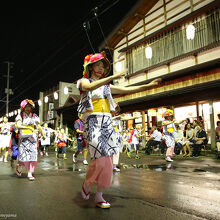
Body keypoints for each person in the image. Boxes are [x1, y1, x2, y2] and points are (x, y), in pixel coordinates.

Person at [77, 52, 161, 208]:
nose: (101, 68)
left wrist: (149, 85)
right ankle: (87, 184)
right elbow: (89, 87)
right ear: (90, 68)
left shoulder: (106, 87)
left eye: (103, 66)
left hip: (107, 122)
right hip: (93, 122)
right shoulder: (83, 81)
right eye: (98, 65)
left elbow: (127, 88)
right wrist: (114, 75)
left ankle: (99, 196)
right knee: (100, 161)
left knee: (108, 161)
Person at [15, 99, 45, 181]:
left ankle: (30, 173)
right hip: (23, 139)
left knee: (33, 156)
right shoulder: (20, 116)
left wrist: (43, 134)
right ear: (23, 107)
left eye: (29, 106)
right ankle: (19, 165)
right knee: (23, 156)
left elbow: (38, 126)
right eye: (26, 107)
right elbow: (18, 126)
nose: (28, 108)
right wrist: (28, 127)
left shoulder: (34, 116)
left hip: (32, 139)